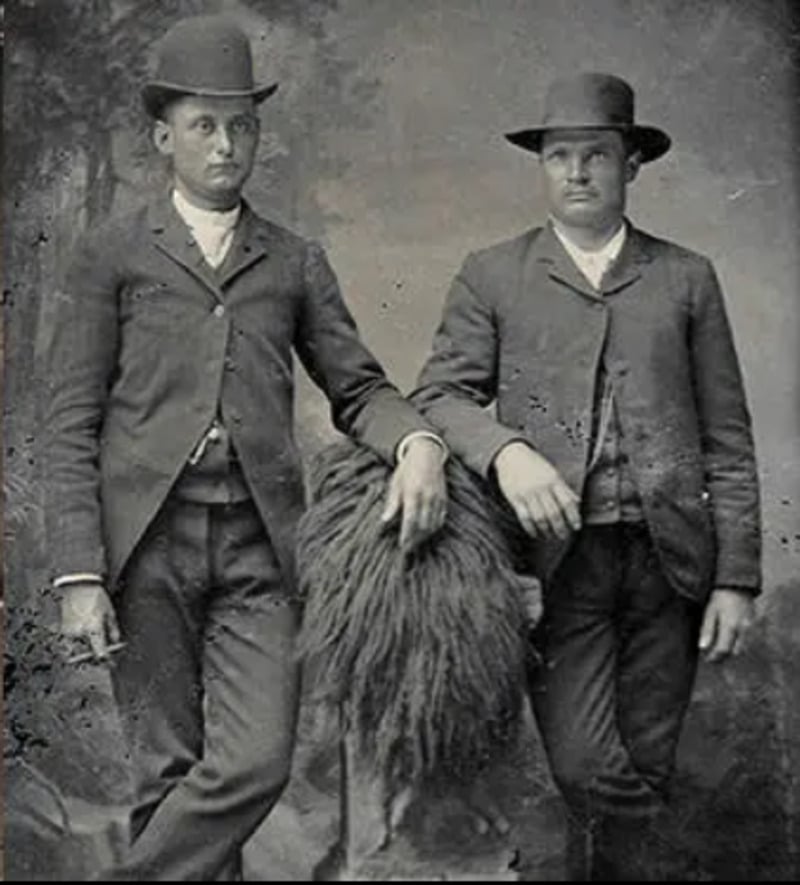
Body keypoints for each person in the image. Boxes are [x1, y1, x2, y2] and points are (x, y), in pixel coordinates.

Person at [43, 14, 448, 881]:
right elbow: (68, 423)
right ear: (164, 136)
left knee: (255, 761)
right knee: (166, 776)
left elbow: (359, 388)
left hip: (260, 550)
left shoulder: (294, 261)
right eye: (204, 124)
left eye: (242, 125)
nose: (226, 144)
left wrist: (416, 440)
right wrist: (78, 573)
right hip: (142, 549)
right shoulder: (110, 254)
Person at [412, 72, 761, 880]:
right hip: (556, 564)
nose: (576, 172)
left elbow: (728, 438)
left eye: (596, 155)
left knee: (647, 764)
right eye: (560, 155)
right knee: (584, 767)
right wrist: (509, 452)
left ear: (630, 164)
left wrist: (736, 578)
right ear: (542, 166)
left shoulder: (687, 277)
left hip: (671, 564)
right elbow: (440, 394)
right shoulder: (494, 273)